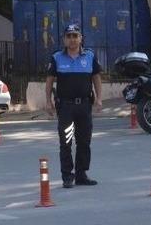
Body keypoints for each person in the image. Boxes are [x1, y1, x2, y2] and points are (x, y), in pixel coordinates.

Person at [45, 23, 102, 189]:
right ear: (64, 39)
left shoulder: (90, 56)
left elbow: (96, 78)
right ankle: (67, 176)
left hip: (84, 106)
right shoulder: (57, 58)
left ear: (81, 38)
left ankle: (81, 174)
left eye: (75, 36)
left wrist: (99, 99)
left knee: (84, 142)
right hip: (66, 108)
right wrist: (48, 101)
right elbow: (49, 81)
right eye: (69, 36)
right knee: (66, 142)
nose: (72, 39)